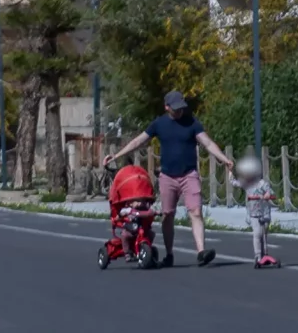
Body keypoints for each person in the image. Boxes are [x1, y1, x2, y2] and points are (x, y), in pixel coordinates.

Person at [107, 91, 232, 266]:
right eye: (176, 108)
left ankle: (201, 252)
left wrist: (224, 159)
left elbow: (208, 143)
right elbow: (138, 141)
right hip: (167, 177)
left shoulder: (191, 123)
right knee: (167, 215)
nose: (179, 111)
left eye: (181, 108)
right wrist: (116, 156)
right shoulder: (159, 124)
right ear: (167, 107)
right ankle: (169, 254)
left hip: (189, 174)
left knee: (196, 212)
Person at [238, 152, 280, 267]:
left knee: (264, 234)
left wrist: (268, 194)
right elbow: (234, 182)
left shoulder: (262, 183)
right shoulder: (246, 184)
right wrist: (230, 172)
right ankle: (258, 255)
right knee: (257, 234)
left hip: (264, 213)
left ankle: (265, 254)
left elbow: (271, 192)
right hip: (253, 213)